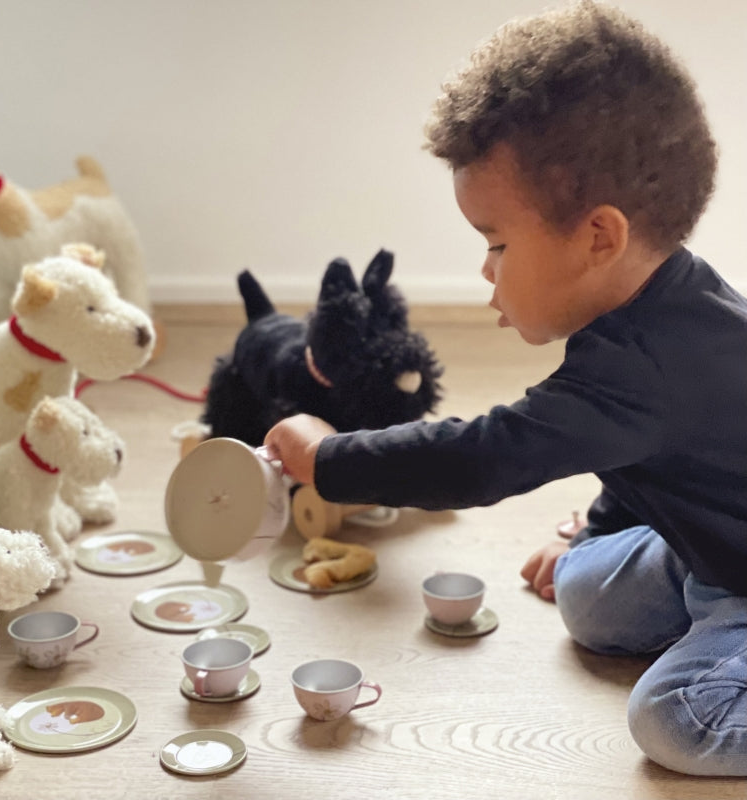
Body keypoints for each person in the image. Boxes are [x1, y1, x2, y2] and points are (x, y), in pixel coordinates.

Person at [264, 0, 747, 777]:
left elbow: (477, 461)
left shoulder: (647, 367)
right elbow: (649, 456)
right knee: (585, 588)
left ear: (599, 237)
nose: (486, 270)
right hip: (714, 547)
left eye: (496, 243)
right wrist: (592, 525)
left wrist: (331, 459)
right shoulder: (657, 309)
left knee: (670, 724)